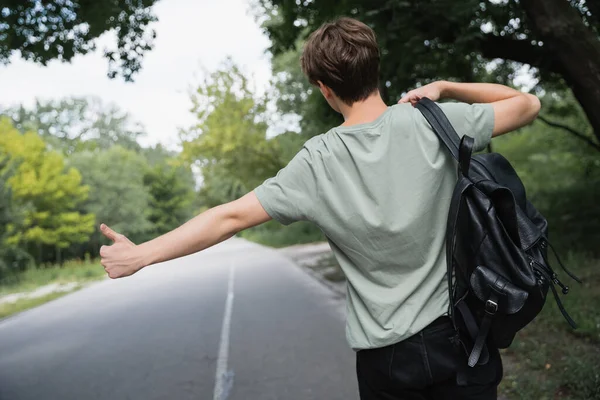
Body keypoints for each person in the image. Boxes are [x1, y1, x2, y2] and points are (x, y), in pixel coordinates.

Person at [99, 17, 540, 400]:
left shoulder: (317, 161)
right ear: (375, 67)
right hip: (463, 340)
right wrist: (443, 87)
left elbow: (228, 217)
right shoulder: (434, 122)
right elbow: (526, 104)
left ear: (324, 88)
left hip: (386, 359)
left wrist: (142, 255)